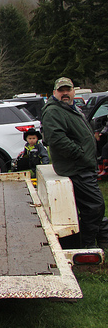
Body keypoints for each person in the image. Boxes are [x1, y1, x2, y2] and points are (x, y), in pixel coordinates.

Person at [41, 77, 108, 249]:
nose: (65, 93)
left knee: (91, 207)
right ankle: (86, 246)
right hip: (75, 167)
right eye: (61, 90)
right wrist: (81, 154)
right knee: (95, 206)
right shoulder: (53, 111)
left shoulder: (71, 108)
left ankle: (98, 240)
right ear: (55, 92)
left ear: (73, 91)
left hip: (83, 165)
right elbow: (56, 138)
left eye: (68, 90)